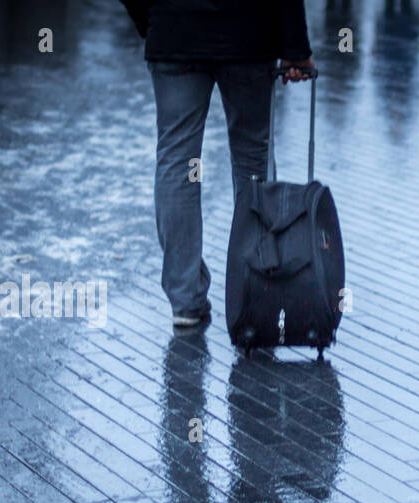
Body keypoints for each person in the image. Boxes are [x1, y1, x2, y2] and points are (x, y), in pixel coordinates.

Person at [120, 0, 315, 328]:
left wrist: (155, 17)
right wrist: (294, 46)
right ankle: (257, 286)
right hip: (248, 34)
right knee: (253, 158)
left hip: (174, 30)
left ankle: (185, 298)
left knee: (178, 160)